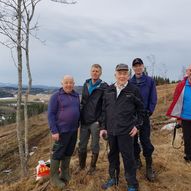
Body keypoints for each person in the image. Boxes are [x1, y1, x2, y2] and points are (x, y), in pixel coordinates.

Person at [100, 63, 144, 191]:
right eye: (120, 73)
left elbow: (142, 110)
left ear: (128, 75)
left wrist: (137, 126)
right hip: (111, 131)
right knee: (112, 156)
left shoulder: (133, 90)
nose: (122, 75)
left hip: (126, 131)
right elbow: (104, 111)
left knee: (128, 158)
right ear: (115, 74)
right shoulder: (108, 90)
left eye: (125, 73)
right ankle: (113, 178)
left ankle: (131, 184)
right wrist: (103, 127)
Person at [48, 75, 80, 189]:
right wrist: (54, 131)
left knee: (68, 152)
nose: (68, 85)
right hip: (61, 131)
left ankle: (65, 173)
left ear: (73, 83)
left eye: (71, 82)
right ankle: (54, 178)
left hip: (73, 130)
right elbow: (51, 114)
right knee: (57, 154)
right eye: (66, 82)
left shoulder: (76, 96)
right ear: (62, 83)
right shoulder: (56, 96)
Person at [130, 58, 157, 181]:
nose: (138, 68)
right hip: (132, 117)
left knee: (145, 140)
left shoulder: (150, 81)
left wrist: (149, 111)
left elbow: (153, 98)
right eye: (135, 66)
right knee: (133, 141)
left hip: (145, 116)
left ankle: (149, 166)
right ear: (133, 68)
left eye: (139, 65)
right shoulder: (130, 82)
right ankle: (137, 160)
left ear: (143, 66)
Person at [78, 64, 108, 174]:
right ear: (90, 72)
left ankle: (92, 167)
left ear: (100, 73)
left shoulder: (104, 86)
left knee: (94, 145)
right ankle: (81, 166)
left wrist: (101, 121)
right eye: (93, 71)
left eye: (97, 71)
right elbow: (83, 103)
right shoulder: (86, 84)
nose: (95, 73)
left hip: (95, 122)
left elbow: (105, 106)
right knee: (82, 145)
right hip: (84, 121)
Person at [166, 64, 191, 162]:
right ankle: (188, 157)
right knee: (187, 139)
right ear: (187, 72)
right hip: (185, 117)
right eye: (190, 70)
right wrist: (178, 117)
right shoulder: (181, 86)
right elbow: (177, 102)